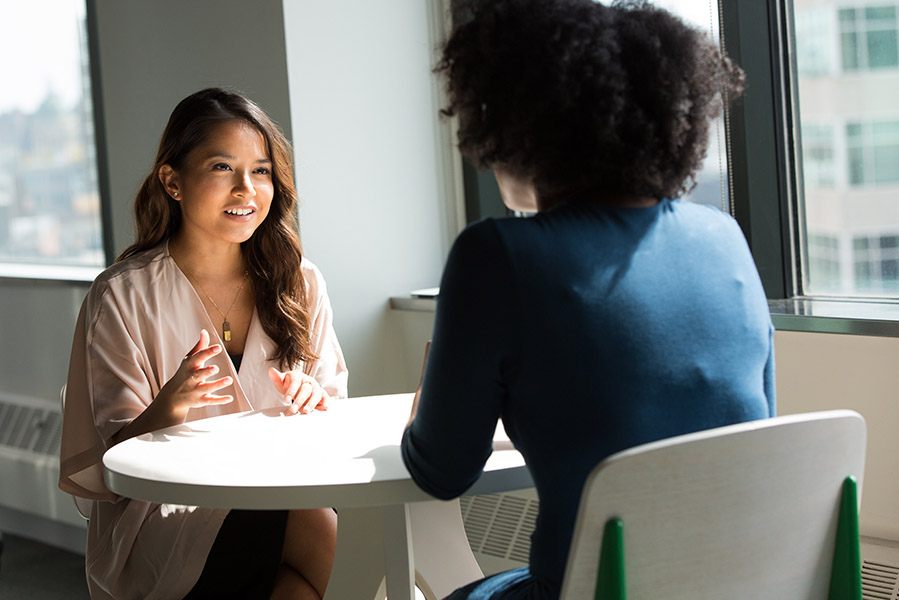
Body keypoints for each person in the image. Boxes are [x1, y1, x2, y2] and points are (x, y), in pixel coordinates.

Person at [400, 1, 774, 598]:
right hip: (743, 584)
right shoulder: (724, 239)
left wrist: (428, 411)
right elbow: (750, 430)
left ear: (518, 127)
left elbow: (442, 472)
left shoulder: (496, 254)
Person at [59, 88, 348, 600]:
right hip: (164, 519)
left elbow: (335, 416)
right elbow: (111, 468)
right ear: (173, 181)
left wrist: (315, 400)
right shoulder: (122, 295)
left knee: (302, 577)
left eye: (261, 171)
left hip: (284, 495)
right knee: (320, 529)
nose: (247, 189)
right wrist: (166, 410)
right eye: (222, 168)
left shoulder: (300, 282)